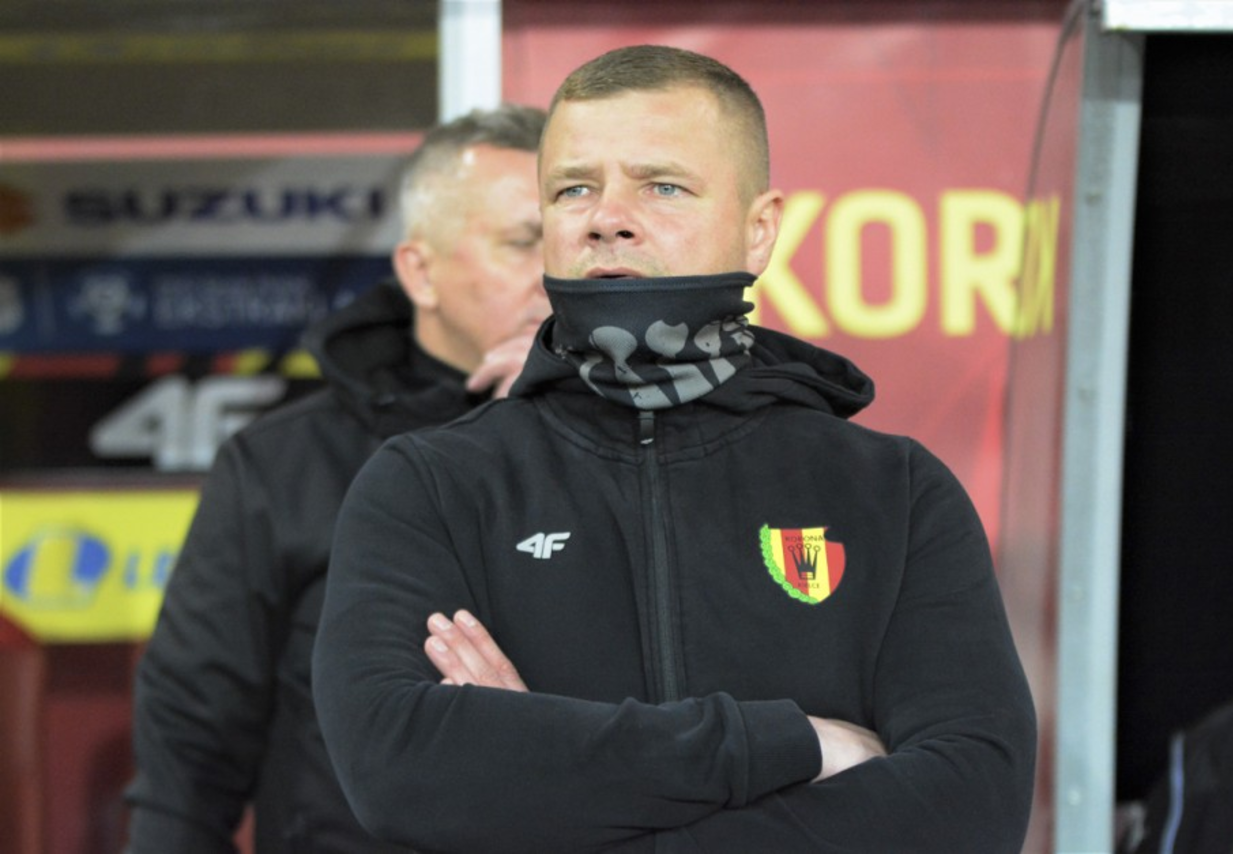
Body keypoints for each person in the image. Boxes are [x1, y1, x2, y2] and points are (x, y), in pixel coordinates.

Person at [313, 45, 1036, 853]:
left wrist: (545, 779)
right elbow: (398, 766)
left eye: (662, 186)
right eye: (573, 188)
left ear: (759, 230)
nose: (606, 217)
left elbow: (972, 803)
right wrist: (794, 745)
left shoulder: (893, 491)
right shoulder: (432, 485)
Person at [124, 103, 550, 853]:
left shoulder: (644, 438)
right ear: (420, 271)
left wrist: (563, 413)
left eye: (576, 243)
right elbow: (190, 754)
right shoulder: (283, 463)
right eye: (523, 243)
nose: (555, 276)